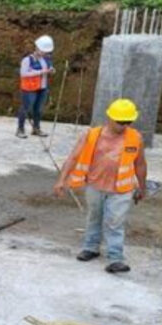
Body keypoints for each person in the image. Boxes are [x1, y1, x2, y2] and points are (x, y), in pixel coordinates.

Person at [53, 98, 148, 273]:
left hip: (121, 190)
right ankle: (91, 248)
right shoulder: (92, 135)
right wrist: (61, 180)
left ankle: (115, 258)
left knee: (115, 222)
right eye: (121, 122)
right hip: (95, 186)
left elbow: (140, 164)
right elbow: (73, 157)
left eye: (128, 121)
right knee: (94, 217)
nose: (124, 125)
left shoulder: (135, 138)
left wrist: (142, 187)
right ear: (110, 118)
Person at [16, 35, 55, 139]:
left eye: (46, 52)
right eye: (43, 51)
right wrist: (42, 71)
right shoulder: (27, 60)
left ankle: (36, 128)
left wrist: (51, 70)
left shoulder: (46, 59)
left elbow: (49, 68)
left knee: (38, 109)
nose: (45, 53)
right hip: (29, 89)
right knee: (26, 108)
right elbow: (23, 74)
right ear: (37, 48)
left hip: (42, 87)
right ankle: (20, 129)